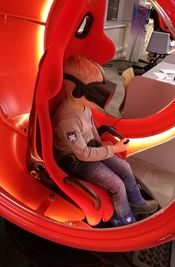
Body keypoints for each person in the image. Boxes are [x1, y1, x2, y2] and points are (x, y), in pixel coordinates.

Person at [51, 55, 158, 227]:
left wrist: (101, 143)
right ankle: (123, 220)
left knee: (125, 167)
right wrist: (113, 149)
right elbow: (83, 154)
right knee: (117, 185)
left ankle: (138, 203)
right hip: (76, 161)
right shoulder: (67, 121)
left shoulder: (83, 105)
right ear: (77, 91)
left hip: (89, 149)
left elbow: (91, 126)